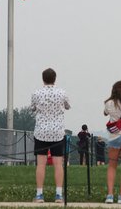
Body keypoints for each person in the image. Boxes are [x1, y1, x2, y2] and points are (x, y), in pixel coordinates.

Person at [30, 68, 70, 203]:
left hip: (41, 131)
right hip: (57, 132)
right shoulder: (62, 93)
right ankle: (59, 194)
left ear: (43, 78)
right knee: (58, 164)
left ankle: (39, 194)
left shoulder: (36, 93)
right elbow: (67, 106)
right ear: (55, 78)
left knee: (41, 164)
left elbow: (33, 108)